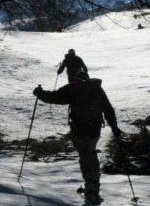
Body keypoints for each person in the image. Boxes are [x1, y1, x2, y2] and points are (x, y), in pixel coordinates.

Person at [33, 71, 121, 205]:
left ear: (76, 79)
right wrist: (114, 127)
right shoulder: (97, 89)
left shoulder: (73, 88)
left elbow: (54, 97)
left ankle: (90, 187)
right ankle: (93, 186)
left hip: (79, 128)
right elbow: (108, 109)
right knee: (91, 152)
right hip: (95, 128)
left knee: (85, 155)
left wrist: (40, 93)